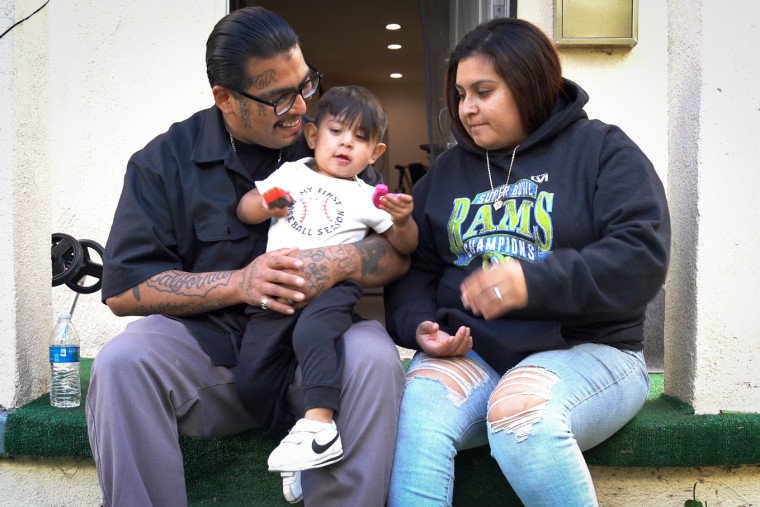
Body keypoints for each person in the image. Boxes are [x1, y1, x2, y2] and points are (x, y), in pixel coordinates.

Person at [86, 7, 408, 507]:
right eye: (279, 96)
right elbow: (125, 291)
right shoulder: (163, 161)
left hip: (312, 352)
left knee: (373, 354)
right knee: (122, 362)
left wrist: (342, 261)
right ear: (225, 98)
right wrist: (240, 283)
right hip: (208, 354)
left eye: (306, 85)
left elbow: (397, 257)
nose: (302, 107)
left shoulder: (331, 148)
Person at [383, 17, 670, 507]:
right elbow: (418, 267)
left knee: (521, 411)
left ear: (529, 84)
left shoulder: (603, 150)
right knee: (417, 408)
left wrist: (533, 281)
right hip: (476, 355)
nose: (465, 109)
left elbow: (641, 255)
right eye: (459, 94)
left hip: (593, 351)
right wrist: (422, 326)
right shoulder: (448, 171)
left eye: (483, 91)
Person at [234, 85, 417, 473]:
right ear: (314, 135)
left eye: (361, 138)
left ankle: (320, 424)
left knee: (313, 334)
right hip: (278, 291)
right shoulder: (290, 173)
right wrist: (265, 204)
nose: (347, 143)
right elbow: (245, 208)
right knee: (251, 378)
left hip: (332, 291)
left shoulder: (367, 195)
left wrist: (402, 220)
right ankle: (294, 444)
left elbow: (404, 246)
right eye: (337, 132)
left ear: (375, 153)